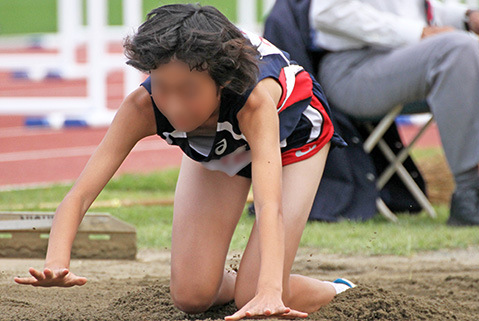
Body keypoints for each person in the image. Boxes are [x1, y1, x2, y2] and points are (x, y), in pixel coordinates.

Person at [14, 4, 354, 320]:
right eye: (162, 86)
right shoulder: (143, 106)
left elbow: (269, 205)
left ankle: (338, 291)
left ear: (220, 83)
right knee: (192, 296)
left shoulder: (253, 101)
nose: (174, 106)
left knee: (253, 293)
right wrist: (56, 262)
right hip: (221, 142)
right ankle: (246, 278)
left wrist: (267, 291)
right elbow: (80, 194)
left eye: (188, 90)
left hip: (292, 137)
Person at [310, 0, 479, 226]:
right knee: (457, 49)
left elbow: (413, 10)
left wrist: (466, 17)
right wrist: (419, 33)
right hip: (351, 70)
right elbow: (328, 13)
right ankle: (469, 195)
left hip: (402, 62)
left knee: (461, 49)